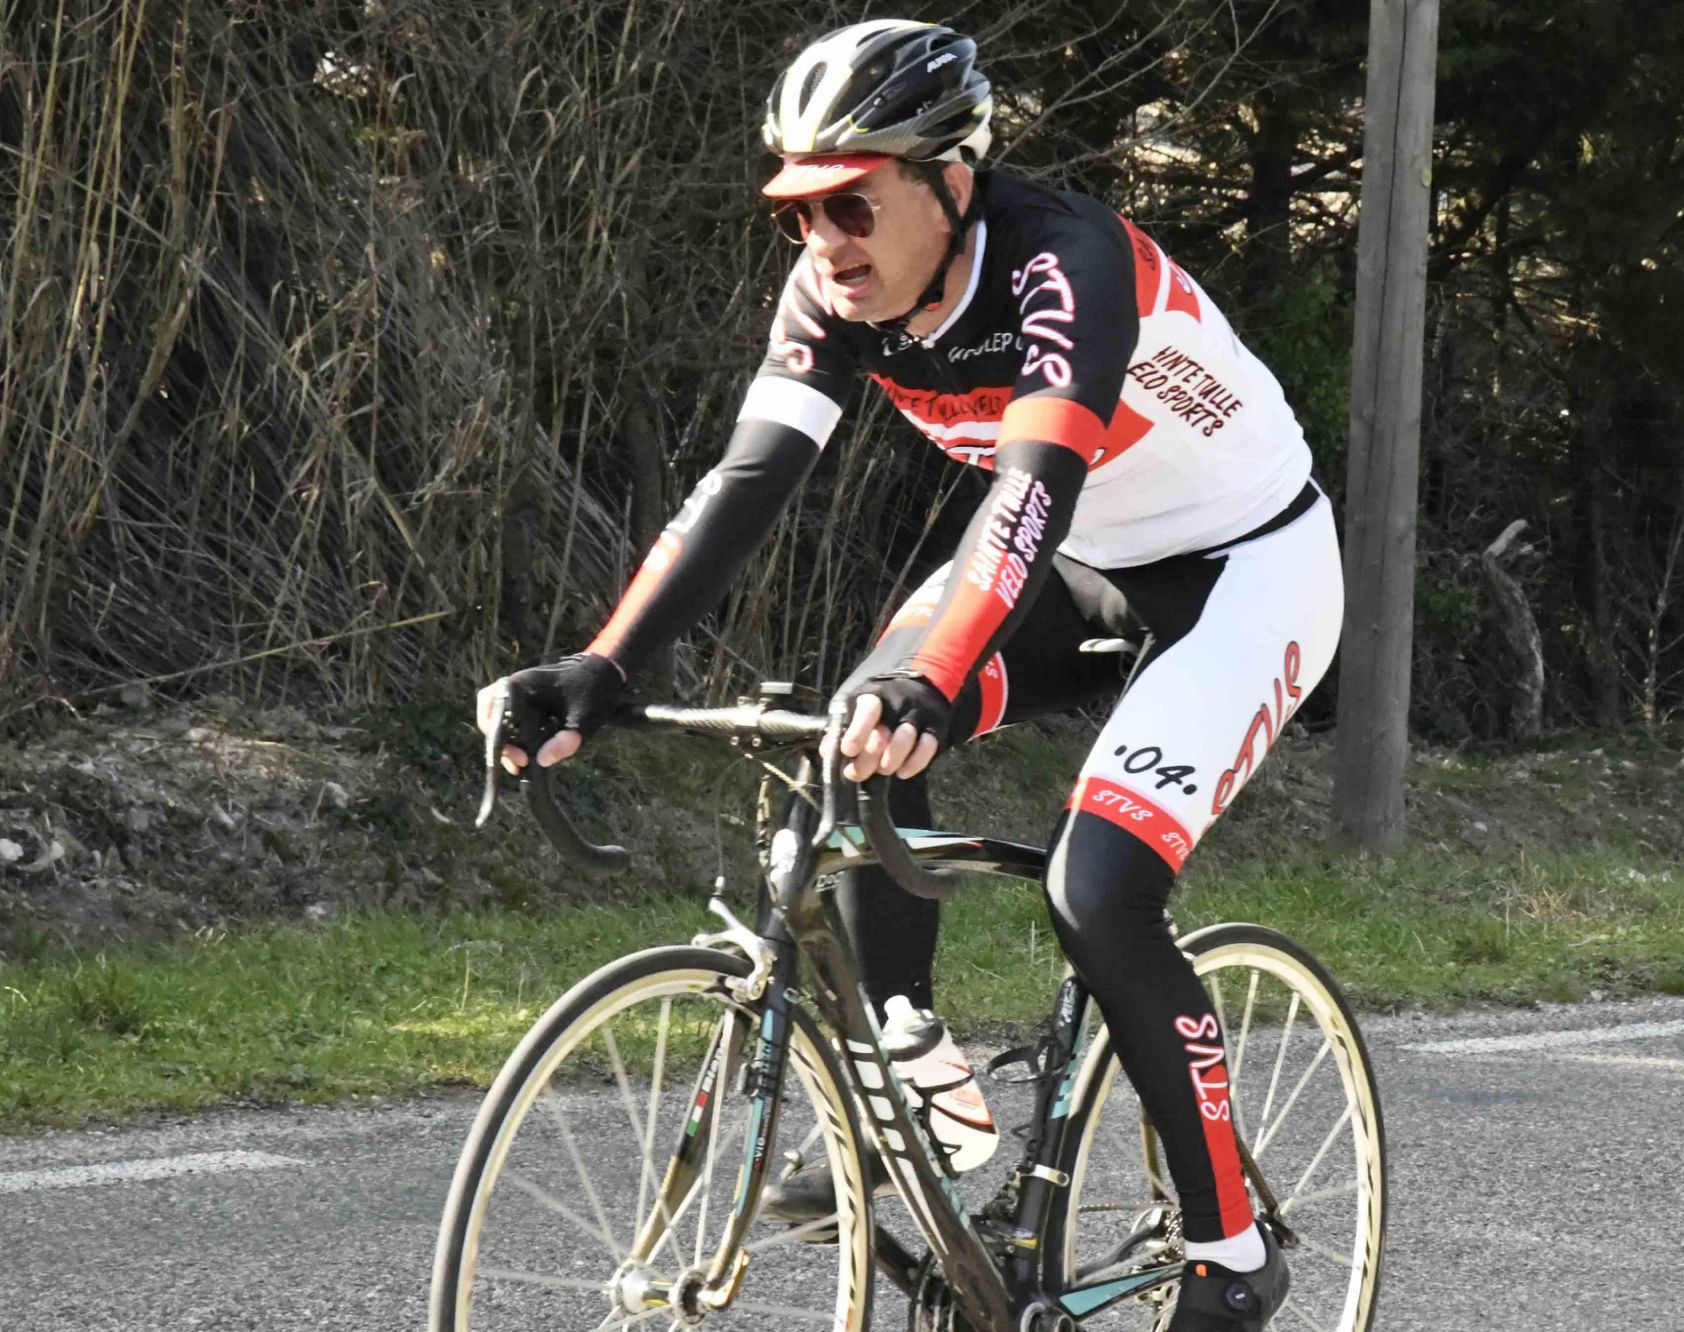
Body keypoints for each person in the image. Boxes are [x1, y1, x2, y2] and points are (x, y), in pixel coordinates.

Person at [477, 20, 1341, 1331]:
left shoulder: (1066, 262)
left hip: (1244, 572)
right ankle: (923, 1084)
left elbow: (1030, 489)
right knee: (855, 739)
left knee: (1099, 889)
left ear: (950, 181)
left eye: (852, 204)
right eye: (798, 212)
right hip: (1073, 564)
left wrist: (939, 671)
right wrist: (603, 662)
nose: (824, 241)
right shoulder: (836, 293)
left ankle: (1232, 1250)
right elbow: (749, 480)